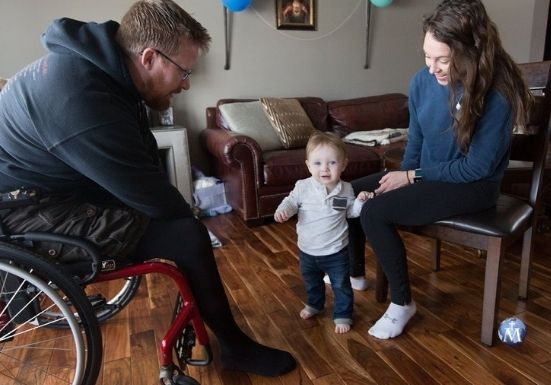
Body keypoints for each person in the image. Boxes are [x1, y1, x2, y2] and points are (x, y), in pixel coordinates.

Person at [0, 0, 296, 377]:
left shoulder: (101, 71)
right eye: (184, 71)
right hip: (22, 211)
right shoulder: (81, 97)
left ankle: (205, 314)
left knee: (172, 222)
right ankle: (235, 347)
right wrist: (188, 220)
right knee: (186, 235)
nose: (187, 83)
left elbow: (140, 165)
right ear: (150, 57)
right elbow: (150, 194)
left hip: (43, 188)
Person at [347, 0, 532, 340]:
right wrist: (402, 178)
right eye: (427, 57)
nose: (432, 68)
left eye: (442, 59)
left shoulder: (497, 93)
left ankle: (402, 304)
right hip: (431, 175)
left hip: (473, 186)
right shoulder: (421, 82)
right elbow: (416, 142)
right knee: (348, 193)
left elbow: (476, 167)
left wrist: (411, 178)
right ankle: (355, 273)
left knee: (374, 212)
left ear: (471, 52)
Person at [274, 131, 372, 334]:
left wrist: (361, 202)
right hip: (308, 250)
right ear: (309, 165)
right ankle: (315, 304)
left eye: (332, 163)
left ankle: (343, 313)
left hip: (337, 251)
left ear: (344, 164)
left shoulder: (346, 189)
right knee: (312, 282)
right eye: (318, 163)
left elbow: (351, 212)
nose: (324, 169)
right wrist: (284, 210)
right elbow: (291, 202)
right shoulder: (303, 187)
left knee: (341, 285)